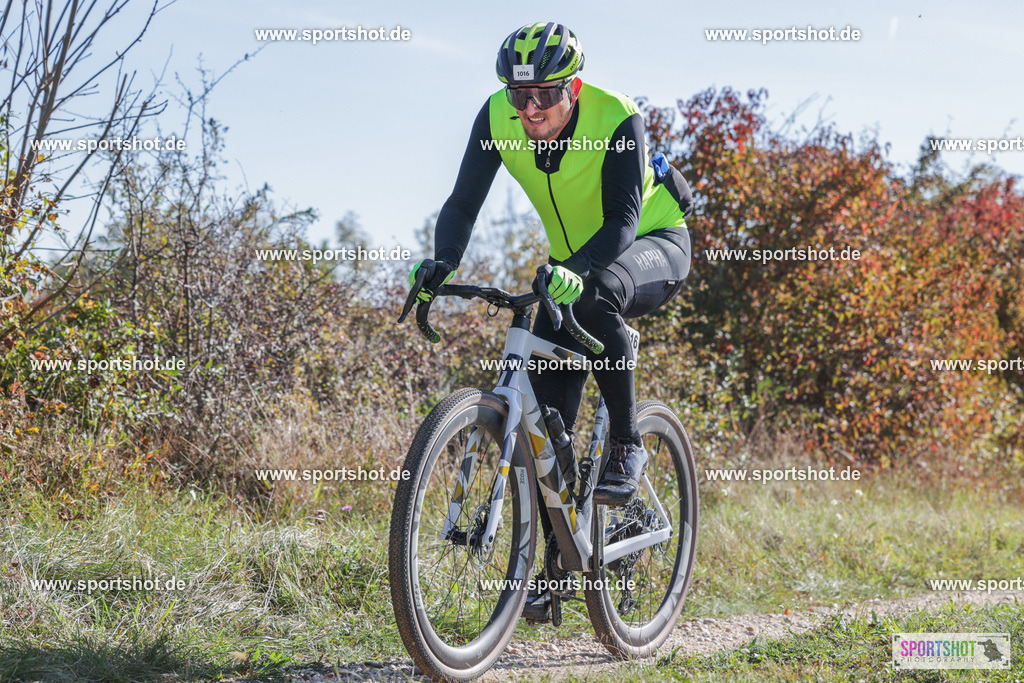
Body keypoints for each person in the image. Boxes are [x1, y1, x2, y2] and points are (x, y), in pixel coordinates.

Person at [408, 21, 694, 618]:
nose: (530, 108)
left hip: (649, 240)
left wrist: (580, 270)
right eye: (519, 96)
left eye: (544, 94)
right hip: (572, 264)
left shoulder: (616, 117)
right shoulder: (496, 118)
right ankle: (559, 567)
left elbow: (620, 220)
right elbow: (463, 201)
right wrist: (443, 261)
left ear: (574, 86)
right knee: (548, 429)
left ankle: (626, 444)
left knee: (596, 297)